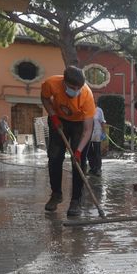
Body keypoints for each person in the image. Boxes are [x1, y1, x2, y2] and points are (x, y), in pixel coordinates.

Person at [40, 66, 95, 216]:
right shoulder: (51, 84)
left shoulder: (87, 96)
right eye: (72, 87)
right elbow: (45, 98)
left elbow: (88, 130)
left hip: (79, 125)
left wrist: (78, 151)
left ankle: (76, 200)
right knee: (54, 157)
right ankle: (56, 194)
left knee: (78, 162)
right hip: (59, 119)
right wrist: (53, 116)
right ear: (64, 82)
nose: (75, 90)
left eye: (79, 87)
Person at [87, 103, 106, 177]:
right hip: (88, 133)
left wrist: (104, 133)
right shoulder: (86, 109)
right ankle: (92, 168)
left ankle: (98, 169)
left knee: (97, 151)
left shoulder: (99, 110)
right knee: (89, 151)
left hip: (97, 133)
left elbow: (102, 122)